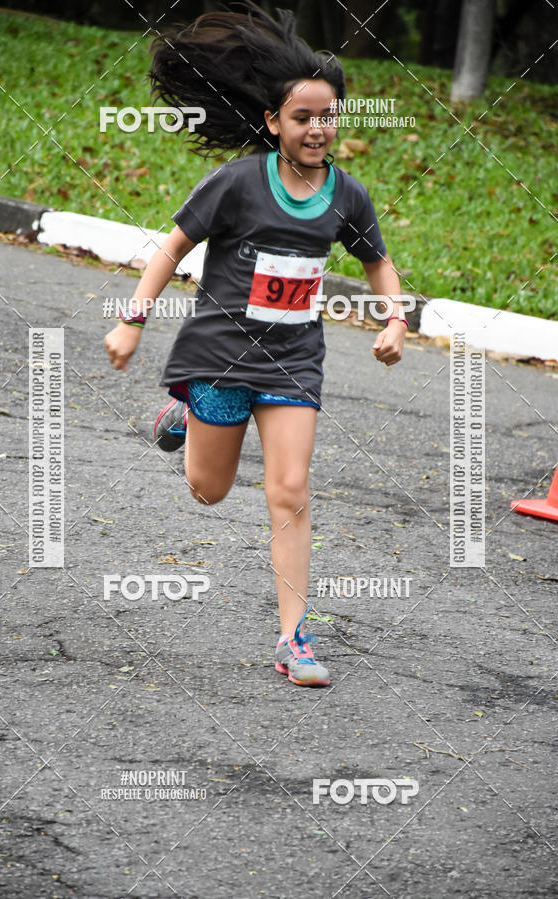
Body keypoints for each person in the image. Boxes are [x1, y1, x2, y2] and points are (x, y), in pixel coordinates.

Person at [104, 1, 407, 688]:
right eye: (302, 117)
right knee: (209, 491)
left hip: (293, 361)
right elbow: (172, 247)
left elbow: (378, 263)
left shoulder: (347, 196)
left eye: (328, 116)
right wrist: (132, 320)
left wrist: (395, 320)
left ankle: (294, 637)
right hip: (219, 356)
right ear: (273, 121)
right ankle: (187, 413)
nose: (317, 128)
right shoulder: (239, 182)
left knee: (291, 491)